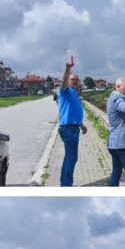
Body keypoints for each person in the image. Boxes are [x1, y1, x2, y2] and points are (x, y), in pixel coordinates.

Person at [56, 55, 88, 186]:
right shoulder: (65, 90)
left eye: (76, 79)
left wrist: (82, 125)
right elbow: (63, 83)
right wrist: (67, 68)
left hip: (72, 127)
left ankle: (64, 183)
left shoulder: (73, 93)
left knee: (69, 157)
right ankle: (66, 185)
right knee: (71, 158)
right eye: (72, 79)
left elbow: (73, 112)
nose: (75, 81)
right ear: (68, 80)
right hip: (68, 129)